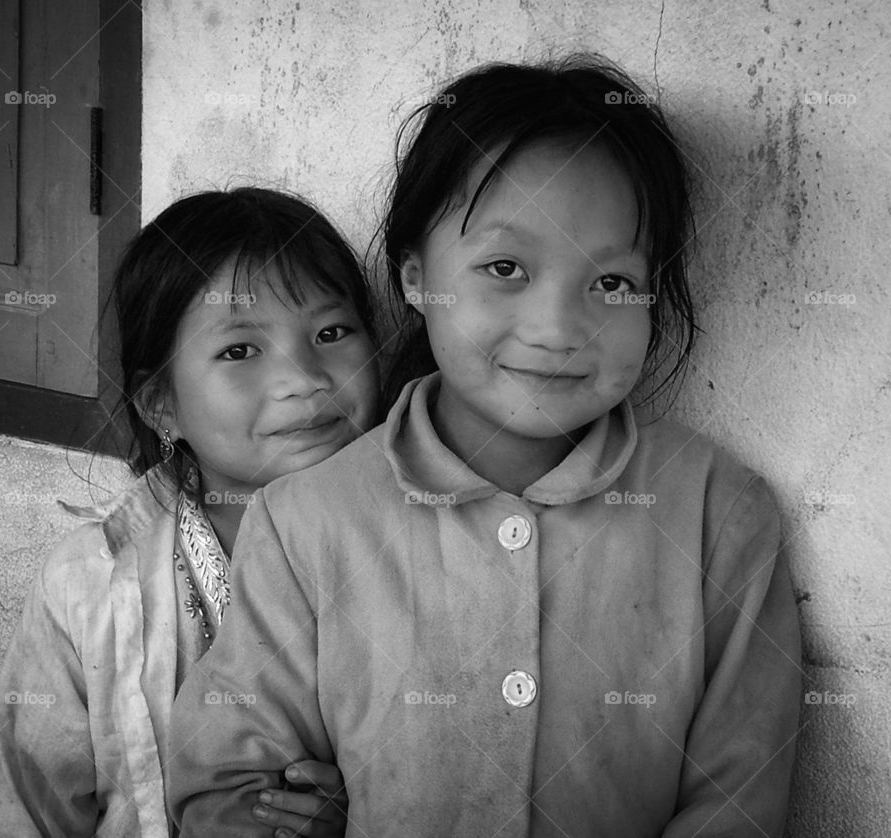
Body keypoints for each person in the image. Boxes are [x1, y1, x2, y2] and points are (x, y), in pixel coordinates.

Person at [167, 57, 802, 837]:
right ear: (414, 277)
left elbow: (740, 800)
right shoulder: (306, 523)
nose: (558, 329)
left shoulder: (717, 513)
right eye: (505, 267)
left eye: (610, 283)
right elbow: (224, 776)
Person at [0, 187, 381, 838]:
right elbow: (29, 811)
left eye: (331, 333)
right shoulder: (87, 587)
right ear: (161, 405)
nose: (306, 378)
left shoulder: (427, 554)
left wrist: (374, 809)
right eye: (240, 350)